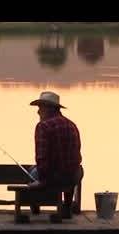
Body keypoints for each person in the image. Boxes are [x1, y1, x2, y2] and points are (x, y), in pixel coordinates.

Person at [27, 90, 82, 218]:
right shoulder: (72, 125)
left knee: (32, 170)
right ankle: (67, 207)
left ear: (49, 108)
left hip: (53, 177)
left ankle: (36, 207)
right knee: (75, 168)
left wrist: (42, 180)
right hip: (73, 176)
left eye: (40, 107)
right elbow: (77, 155)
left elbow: (41, 157)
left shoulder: (43, 126)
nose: (38, 111)